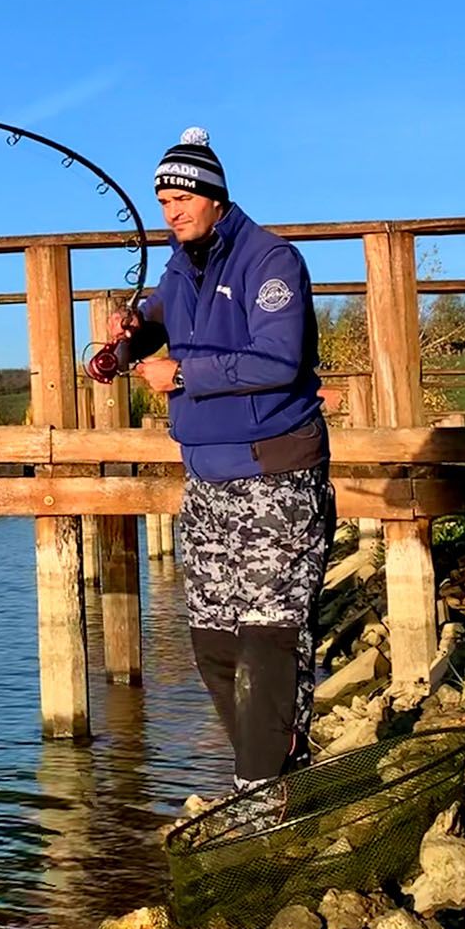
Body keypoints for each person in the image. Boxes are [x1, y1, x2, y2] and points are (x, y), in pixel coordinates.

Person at [109, 126, 336, 791]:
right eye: (161, 200)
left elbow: (278, 358)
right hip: (205, 480)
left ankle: (259, 794)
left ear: (213, 196)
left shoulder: (271, 262)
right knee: (212, 643)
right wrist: (133, 337)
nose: (171, 210)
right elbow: (159, 313)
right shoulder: (180, 268)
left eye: (181, 196)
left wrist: (183, 374)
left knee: (270, 637)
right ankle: (280, 766)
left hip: (277, 473)